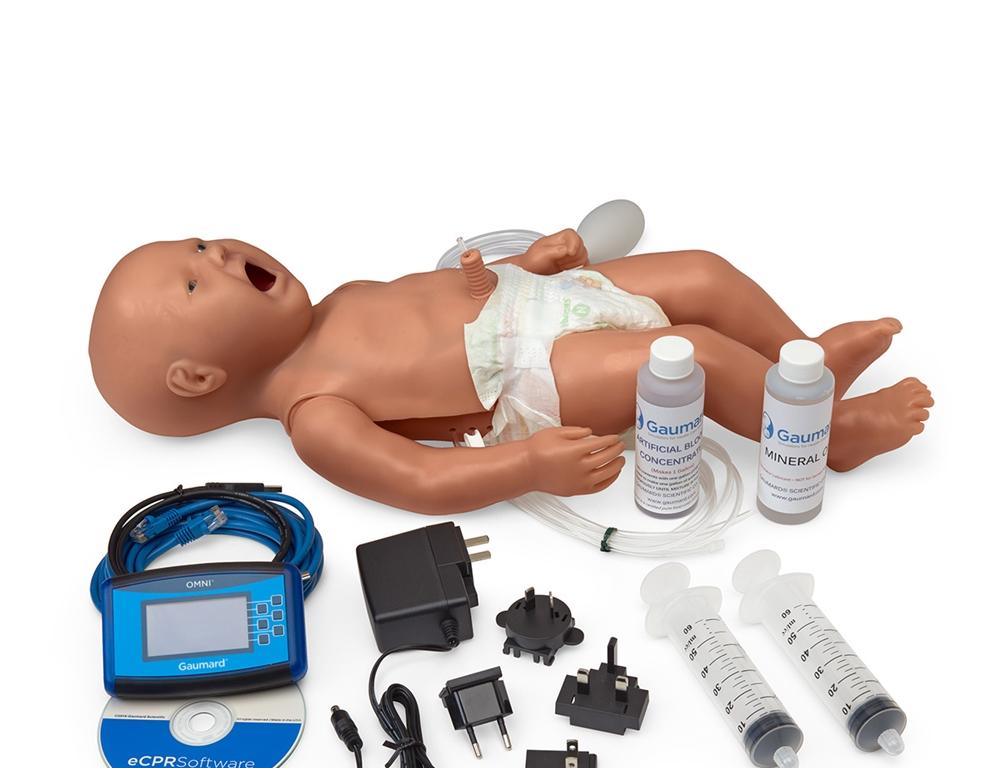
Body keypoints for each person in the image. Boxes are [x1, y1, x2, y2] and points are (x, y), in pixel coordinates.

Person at [90, 231, 932, 513]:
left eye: (200, 242)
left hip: (537, 300)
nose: (219, 253)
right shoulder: (315, 415)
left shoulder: (337, 301)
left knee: (704, 275)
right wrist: (528, 465)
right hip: (533, 377)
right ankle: (826, 437)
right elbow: (420, 478)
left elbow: (445, 296)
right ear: (198, 379)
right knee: (695, 357)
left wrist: (525, 265)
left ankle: (801, 366)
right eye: (196, 281)